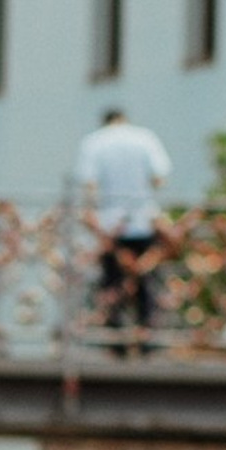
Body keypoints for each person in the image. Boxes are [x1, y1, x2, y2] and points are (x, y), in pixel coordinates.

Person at [71, 104, 173, 347]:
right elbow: (159, 177)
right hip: (142, 219)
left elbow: (89, 185)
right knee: (146, 278)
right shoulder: (145, 138)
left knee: (112, 280)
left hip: (111, 223)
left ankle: (114, 339)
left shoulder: (94, 142)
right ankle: (147, 337)